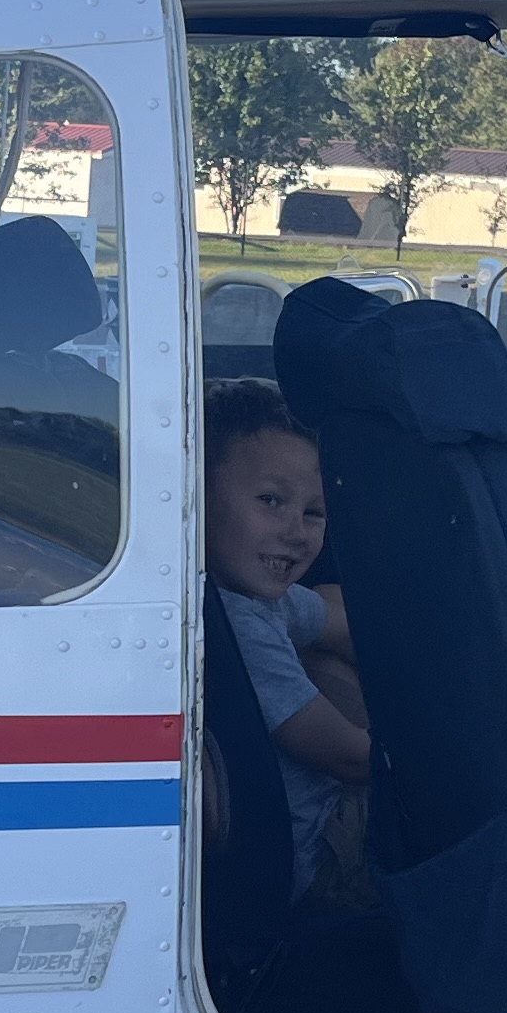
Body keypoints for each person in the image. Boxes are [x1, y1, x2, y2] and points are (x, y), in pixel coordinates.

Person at [201, 378, 371, 903]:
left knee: (329, 599)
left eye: (313, 512)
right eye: (271, 500)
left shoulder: (250, 594)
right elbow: (351, 760)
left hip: (313, 816)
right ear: (195, 495)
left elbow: (341, 627)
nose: (296, 533)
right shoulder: (241, 629)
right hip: (320, 857)